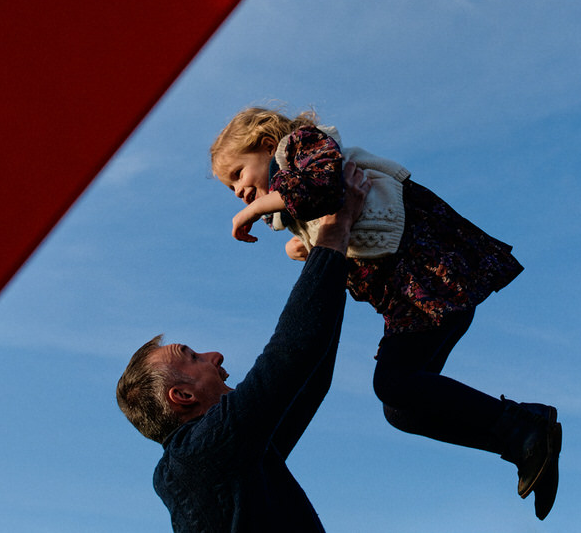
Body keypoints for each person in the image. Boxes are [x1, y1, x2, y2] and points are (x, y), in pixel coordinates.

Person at [210, 106, 562, 521]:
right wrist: (302, 245)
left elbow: (322, 186)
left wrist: (250, 212)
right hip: (410, 304)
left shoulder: (302, 146)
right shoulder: (291, 199)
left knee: (394, 383)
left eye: (237, 174)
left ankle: (525, 428)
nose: (237, 190)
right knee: (401, 408)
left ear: (267, 146)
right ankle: (521, 435)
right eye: (229, 187)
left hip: (431, 279)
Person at [115, 161, 371, 533]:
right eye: (193, 357)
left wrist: (334, 251)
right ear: (182, 395)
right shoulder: (202, 453)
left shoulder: (233, 458)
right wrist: (335, 228)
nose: (215, 356)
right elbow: (292, 353)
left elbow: (307, 377)